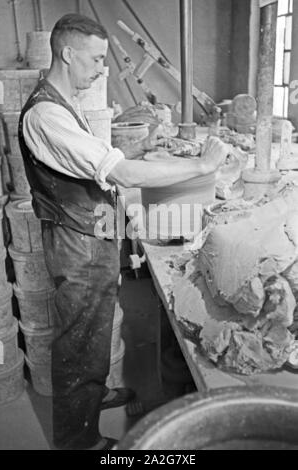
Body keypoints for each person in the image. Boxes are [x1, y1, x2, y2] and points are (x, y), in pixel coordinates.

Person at [18, 13, 228, 450]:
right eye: (95, 59)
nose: (101, 69)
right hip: (75, 241)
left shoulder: (63, 100)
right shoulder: (45, 114)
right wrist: (201, 166)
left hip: (90, 234)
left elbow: (100, 163)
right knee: (78, 336)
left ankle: (93, 392)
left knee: (94, 326)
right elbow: (124, 173)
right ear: (68, 53)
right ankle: (77, 439)